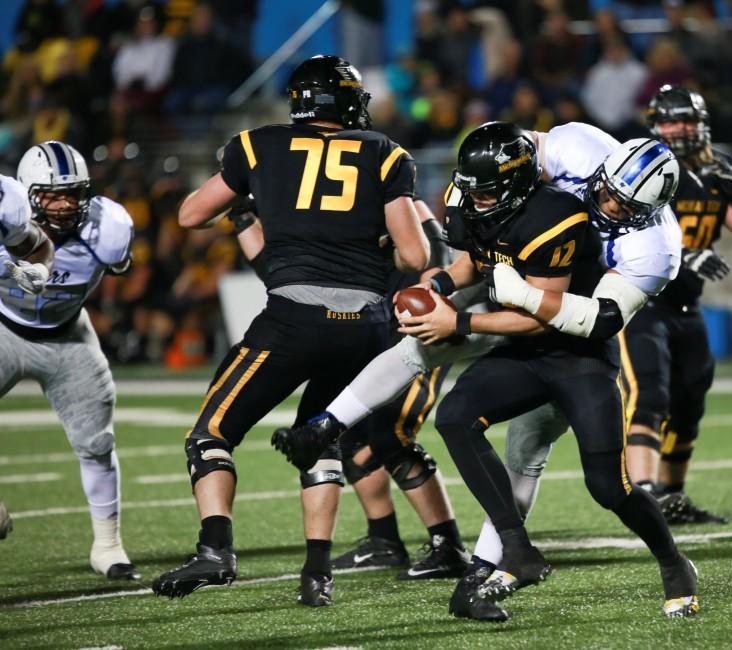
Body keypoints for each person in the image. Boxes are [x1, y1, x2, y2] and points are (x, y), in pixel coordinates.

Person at [273, 122, 700, 621]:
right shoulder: (564, 162)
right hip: (517, 316)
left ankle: (674, 563)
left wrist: (469, 312)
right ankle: (488, 560)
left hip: (577, 345)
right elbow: (501, 196)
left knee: (602, 485)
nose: (607, 207)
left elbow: (595, 320)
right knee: (450, 406)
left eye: (624, 208)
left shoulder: (655, 249)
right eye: (605, 192)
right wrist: (445, 283)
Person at [150, 55, 430, 606]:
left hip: (293, 319)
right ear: (347, 101)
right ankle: (316, 575)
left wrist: (256, 202)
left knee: (210, 435)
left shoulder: (256, 146)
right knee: (320, 439)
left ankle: (215, 549)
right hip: (366, 326)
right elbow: (415, 253)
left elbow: (188, 215)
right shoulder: (385, 152)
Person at [227, 197, 471, 579]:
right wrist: (242, 218)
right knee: (351, 438)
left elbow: (430, 259)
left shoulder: (397, 204)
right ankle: (384, 541)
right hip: (371, 344)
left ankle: (449, 545)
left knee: (390, 435)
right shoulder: (327, 219)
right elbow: (274, 270)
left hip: (417, 339)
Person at [628, 85, 732, 524]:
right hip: (641, 299)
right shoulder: (638, 165)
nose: (677, 129)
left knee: (690, 402)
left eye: (685, 120)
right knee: (650, 397)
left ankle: (672, 496)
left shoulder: (721, 168)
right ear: (655, 124)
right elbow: (620, 231)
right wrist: (686, 254)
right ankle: (646, 502)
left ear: (701, 123)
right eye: (669, 120)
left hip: (687, 306)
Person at [0, 140, 137, 580]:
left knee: (97, 444)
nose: (63, 205)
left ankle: (108, 544)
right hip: (3, 327)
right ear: (27, 194)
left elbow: (117, 268)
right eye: (52, 195)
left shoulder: (108, 227)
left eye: (72, 194)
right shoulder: (8, 213)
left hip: (69, 336)